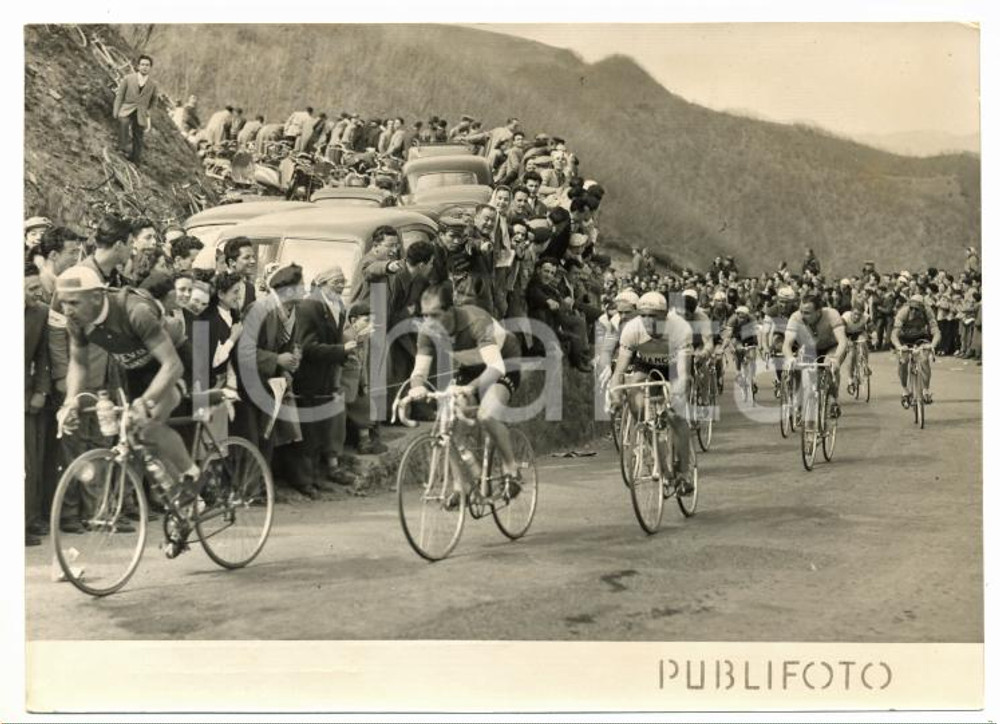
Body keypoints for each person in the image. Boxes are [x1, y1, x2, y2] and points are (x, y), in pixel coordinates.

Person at [55, 265, 199, 557]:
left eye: (74, 302)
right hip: (134, 369)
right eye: (63, 302)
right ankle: (174, 494)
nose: (66, 309)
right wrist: (70, 401)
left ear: (97, 296)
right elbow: (79, 364)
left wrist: (146, 401)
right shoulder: (78, 321)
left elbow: (172, 366)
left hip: (172, 363)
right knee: (133, 433)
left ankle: (192, 479)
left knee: (146, 423)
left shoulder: (135, 311)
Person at [404, 284, 525, 504]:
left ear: (451, 310)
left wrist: (470, 388)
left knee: (486, 415)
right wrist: (417, 386)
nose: (429, 322)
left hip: (503, 363)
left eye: (435, 315)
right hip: (471, 366)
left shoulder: (475, 321)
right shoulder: (427, 330)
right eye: (424, 316)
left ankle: (512, 469)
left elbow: (496, 368)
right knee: (447, 424)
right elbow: (419, 371)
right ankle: (463, 486)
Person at [608, 292, 694, 493]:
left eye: (653, 316)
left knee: (676, 415)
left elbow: (683, 373)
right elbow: (619, 371)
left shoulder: (680, 328)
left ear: (664, 316)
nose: (646, 320)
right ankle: (654, 448)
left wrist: (678, 392)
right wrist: (616, 394)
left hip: (674, 367)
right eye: (643, 315)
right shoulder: (631, 328)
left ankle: (684, 473)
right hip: (646, 364)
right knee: (634, 394)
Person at [781, 292, 849, 419]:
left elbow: (843, 341)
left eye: (807, 312)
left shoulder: (832, 314)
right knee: (799, 369)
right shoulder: (795, 317)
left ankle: (833, 399)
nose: (803, 315)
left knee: (831, 367)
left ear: (818, 311)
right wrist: (790, 358)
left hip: (831, 347)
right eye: (801, 311)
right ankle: (799, 402)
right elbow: (787, 344)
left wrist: (836, 358)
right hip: (810, 348)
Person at [25, 263, 51, 546]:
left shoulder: (41, 313)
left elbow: (44, 357)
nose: (37, 294)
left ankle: (26, 521)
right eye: (31, 289)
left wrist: (41, 391)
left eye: (38, 288)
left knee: (29, 465)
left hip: (26, 396)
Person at [890, 293, 942, 406]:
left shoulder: (928, 312)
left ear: (922, 308)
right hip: (904, 338)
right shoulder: (903, 312)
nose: (913, 311)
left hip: (921, 337)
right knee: (903, 361)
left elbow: (936, 332)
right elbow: (894, 333)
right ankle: (905, 390)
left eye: (917, 309)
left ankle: (926, 390)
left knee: (924, 360)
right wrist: (899, 347)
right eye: (912, 308)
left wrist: (932, 345)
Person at [113, 54, 157, 163]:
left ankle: (135, 159)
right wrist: (116, 111)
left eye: (147, 65)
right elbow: (120, 96)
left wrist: (148, 112)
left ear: (150, 68)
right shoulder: (128, 79)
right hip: (127, 109)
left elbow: (154, 101)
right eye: (142, 64)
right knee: (124, 123)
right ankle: (122, 148)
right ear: (138, 66)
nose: (144, 67)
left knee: (138, 135)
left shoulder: (153, 85)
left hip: (141, 113)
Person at [841, 296, 872, 389]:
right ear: (851, 312)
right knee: (852, 354)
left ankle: (866, 365)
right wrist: (846, 341)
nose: (857, 316)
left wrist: (874, 336)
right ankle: (850, 378)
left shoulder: (866, 317)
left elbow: (872, 328)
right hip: (847, 334)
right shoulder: (845, 317)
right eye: (855, 314)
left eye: (859, 315)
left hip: (858, 332)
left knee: (864, 342)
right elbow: (841, 332)